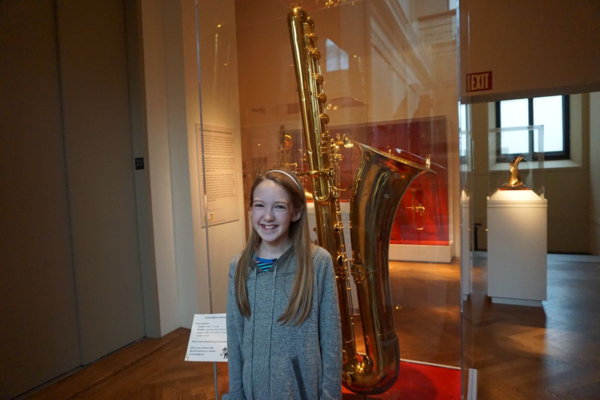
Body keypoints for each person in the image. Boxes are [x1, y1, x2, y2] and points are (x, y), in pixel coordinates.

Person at [223, 169, 342, 400]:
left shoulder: (318, 263)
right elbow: (235, 339)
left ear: (296, 212)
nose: (267, 216)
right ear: (250, 209)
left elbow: (331, 341)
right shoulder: (238, 266)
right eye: (259, 205)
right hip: (252, 392)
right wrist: (235, 394)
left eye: (278, 207)